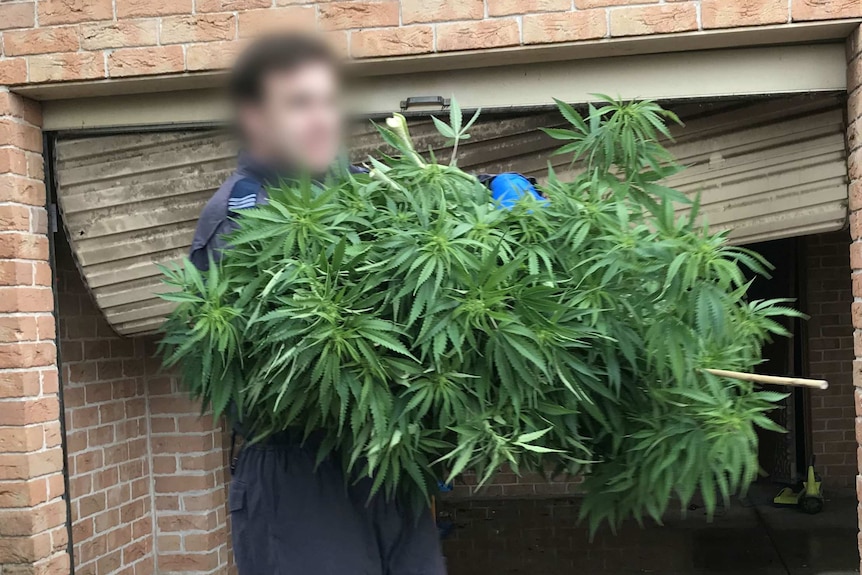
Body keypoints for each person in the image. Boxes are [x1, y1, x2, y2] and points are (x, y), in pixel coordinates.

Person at [190, 33, 539, 575]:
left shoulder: (351, 186)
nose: (320, 119)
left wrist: (491, 193)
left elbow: (422, 198)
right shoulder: (240, 217)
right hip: (302, 474)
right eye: (299, 105)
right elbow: (282, 367)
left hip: (387, 465)